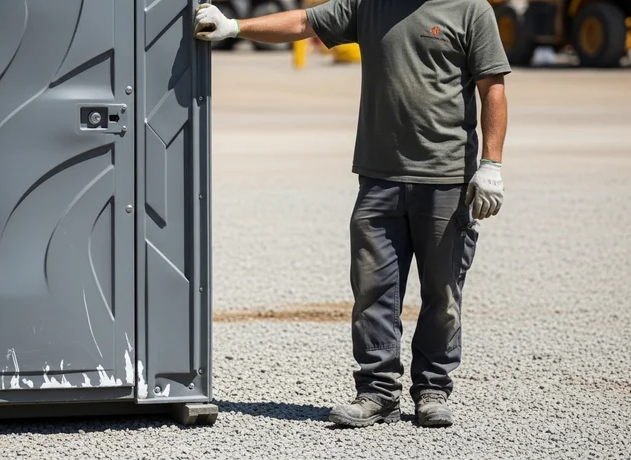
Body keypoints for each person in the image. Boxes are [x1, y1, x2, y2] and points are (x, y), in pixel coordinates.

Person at [193, 0, 509, 428]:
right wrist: (234, 26)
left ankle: (432, 389)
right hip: (379, 179)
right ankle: (378, 394)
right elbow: (304, 22)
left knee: (443, 292)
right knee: (373, 291)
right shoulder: (370, 5)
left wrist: (490, 165)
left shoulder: (470, 10)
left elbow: (493, 88)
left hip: (446, 178)